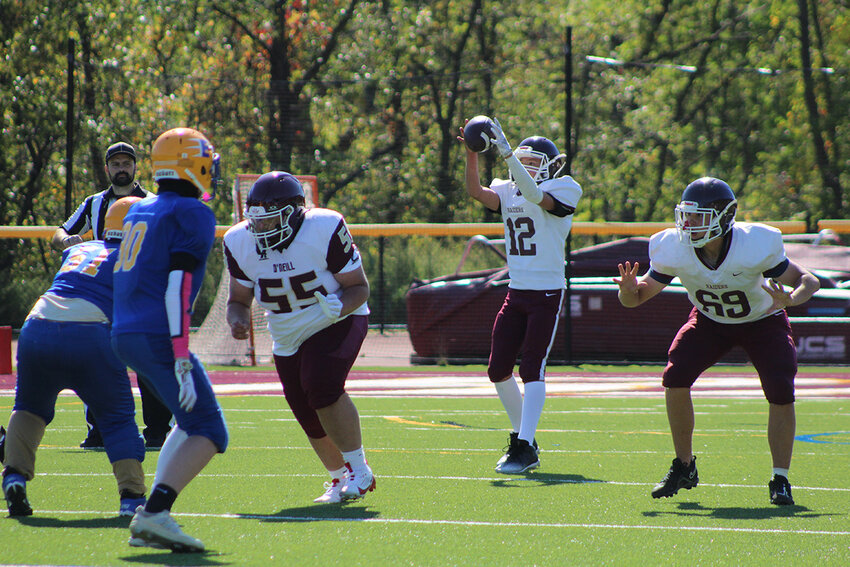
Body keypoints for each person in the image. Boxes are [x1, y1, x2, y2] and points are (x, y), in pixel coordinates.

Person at [613, 176, 820, 505]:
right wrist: (626, 290)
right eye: (687, 215)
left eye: (699, 216)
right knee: (675, 376)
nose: (689, 223)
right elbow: (636, 299)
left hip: (762, 321)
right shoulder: (675, 248)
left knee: (781, 390)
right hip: (710, 321)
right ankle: (684, 467)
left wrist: (792, 299)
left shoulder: (753, 244)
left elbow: (809, 280)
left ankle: (780, 479)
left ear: (724, 216)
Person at [224, 171, 375, 503]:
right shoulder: (238, 241)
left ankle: (360, 471)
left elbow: (360, 289)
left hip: (336, 317)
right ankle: (338, 479)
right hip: (286, 333)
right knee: (304, 409)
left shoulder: (323, 228)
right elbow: (238, 300)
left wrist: (339, 306)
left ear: (292, 213)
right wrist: (236, 320)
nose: (259, 228)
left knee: (321, 385)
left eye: (269, 220)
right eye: (256, 221)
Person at [111, 127, 226, 552]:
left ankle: (152, 517)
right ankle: (155, 513)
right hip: (157, 333)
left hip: (124, 331)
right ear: (193, 163)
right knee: (211, 429)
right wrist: (180, 352)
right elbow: (177, 284)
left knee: (186, 420)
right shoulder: (191, 213)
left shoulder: (140, 208)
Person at [2, 197, 147, 517]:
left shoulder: (80, 249)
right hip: (89, 333)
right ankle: (132, 497)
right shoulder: (134, 256)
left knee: (28, 409)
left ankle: (14, 477)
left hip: (36, 327)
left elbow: (70, 253)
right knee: (117, 417)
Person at [459, 118, 583, 474]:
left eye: (532, 163)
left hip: (546, 292)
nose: (525, 168)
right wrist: (472, 155)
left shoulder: (565, 187)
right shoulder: (509, 188)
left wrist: (509, 154)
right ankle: (522, 436)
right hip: (516, 291)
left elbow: (534, 194)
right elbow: (476, 192)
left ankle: (525, 445)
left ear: (548, 166)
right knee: (498, 369)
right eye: (522, 162)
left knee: (532, 368)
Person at [52, 141, 172, 449]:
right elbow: (58, 234)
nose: (121, 168)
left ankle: (158, 430)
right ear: (107, 168)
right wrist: (69, 241)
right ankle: (101, 429)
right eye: (115, 164)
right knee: (99, 359)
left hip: (144, 291)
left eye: (126, 163)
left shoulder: (154, 202)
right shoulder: (94, 203)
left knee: (147, 360)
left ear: (135, 167)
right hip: (102, 290)